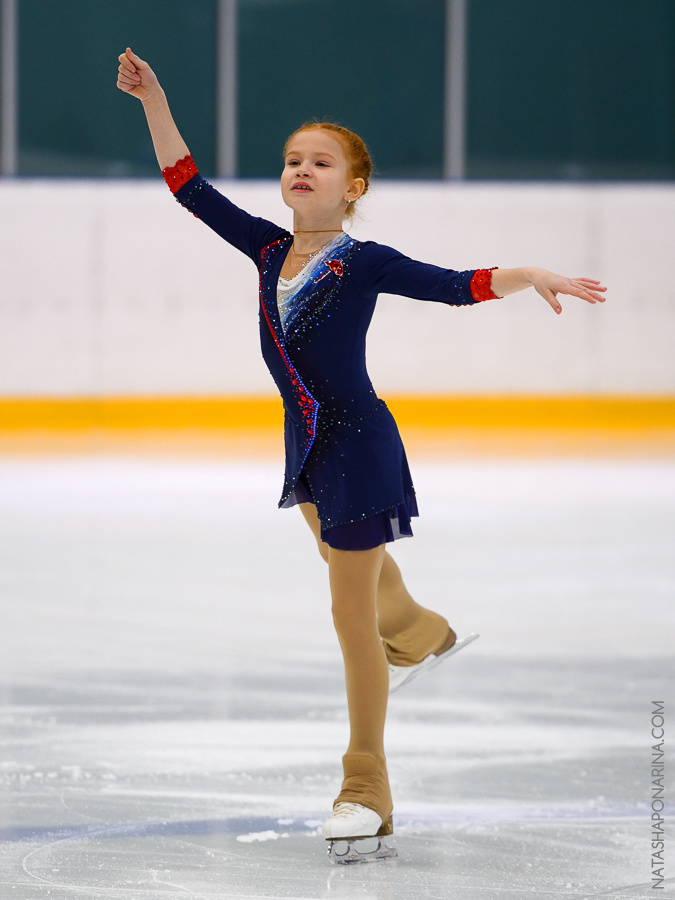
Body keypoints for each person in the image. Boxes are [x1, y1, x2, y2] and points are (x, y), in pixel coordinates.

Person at [116, 47, 606, 864]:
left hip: (360, 443)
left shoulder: (363, 261)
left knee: (348, 611)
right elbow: (186, 185)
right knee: (359, 578)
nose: (300, 169)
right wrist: (153, 102)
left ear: (353, 187)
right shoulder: (269, 250)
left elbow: (452, 285)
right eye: (290, 160)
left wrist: (522, 272)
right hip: (305, 441)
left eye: (320, 161)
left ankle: (365, 784)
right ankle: (422, 632)